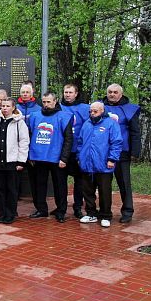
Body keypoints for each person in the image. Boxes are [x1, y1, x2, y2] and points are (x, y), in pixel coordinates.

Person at [27, 92, 73, 223]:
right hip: (38, 156)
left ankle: (61, 210)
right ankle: (41, 209)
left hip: (56, 157)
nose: (46, 104)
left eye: (49, 102)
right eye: (44, 102)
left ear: (55, 101)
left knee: (60, 186)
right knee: (39, 185)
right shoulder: (34, 116)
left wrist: (64, 158)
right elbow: (29, 135)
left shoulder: (64, 116)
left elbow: (69, 139)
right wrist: (30, 154)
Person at [78, 102, 123, 228]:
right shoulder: (86, 124)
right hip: (87, 164)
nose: (92, 113)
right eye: (91, 111)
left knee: (104, 191)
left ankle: (106, 215)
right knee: (87, 190)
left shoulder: (111, 124)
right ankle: (91, 213)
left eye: (95, 111)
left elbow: (117, 142)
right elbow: (80, 142)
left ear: (102, 111)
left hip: (104, 164)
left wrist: (112, 159)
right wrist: (79, 157)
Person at [0, 98, 29, 224]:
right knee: (0, 188)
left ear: (13, 107)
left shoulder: (19, 123)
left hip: (12, 161)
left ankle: (10, 213)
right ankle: (2, 212)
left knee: (11, 188)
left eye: (7, 106)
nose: (4, 108)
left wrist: (21, 161)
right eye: (3, 106)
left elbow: (24, 142)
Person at [102, 83, 141, 223]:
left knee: (124, 182)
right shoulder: (99, 107)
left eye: (115, 92)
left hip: (122, 151)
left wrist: (135, 152)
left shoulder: (129, 109)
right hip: (103, 151)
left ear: (121, 94)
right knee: (104, 183)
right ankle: (105, 211)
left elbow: (135, 132)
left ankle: (127, 211)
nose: (112, 94)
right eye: (110, 92)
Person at [60, 83, 90, 218]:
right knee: (60, 181)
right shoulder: (57, 108)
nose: (67, 95)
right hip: (62, 151)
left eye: (70, 92)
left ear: (76, 93)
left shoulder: (84, 108)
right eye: (66, 92)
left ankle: (78, 206)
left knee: (79, 181)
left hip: (78, 151)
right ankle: (61, 207)